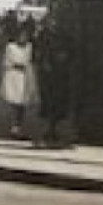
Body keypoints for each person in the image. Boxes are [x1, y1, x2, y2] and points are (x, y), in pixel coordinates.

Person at [34, 13, 76, 147]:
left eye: (54, 21)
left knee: (58, 100)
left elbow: (72, 50)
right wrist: (43, 61)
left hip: (60, 74)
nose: (52, 24)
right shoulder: (42, 36)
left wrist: (65, 57)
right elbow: (37, 52)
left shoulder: (65, 36)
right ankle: (50, 127)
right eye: (50, 21)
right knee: (48, 99)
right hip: (47, 75)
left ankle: (54, 126)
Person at [0, 20, 38, 138]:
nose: (23, 38)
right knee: (15, 103)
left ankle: (18, 125)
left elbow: (30, 60)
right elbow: (6, 62)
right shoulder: (10, 47)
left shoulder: (29, 47)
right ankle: (14, 126)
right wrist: (16, 65)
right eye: (21, 36)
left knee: (23, 103)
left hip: (25, 77)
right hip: (14, 77)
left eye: (25, 36)